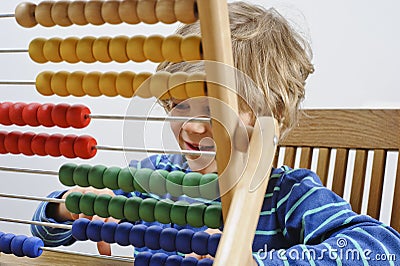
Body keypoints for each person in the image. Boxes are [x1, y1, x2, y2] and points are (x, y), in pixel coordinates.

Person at [32, 1, 400, 265]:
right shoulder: (151, 178)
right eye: (179, 106)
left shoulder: (289, 195)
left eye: (212, 110)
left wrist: (255, 262)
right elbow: (43, 230)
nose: (191, 126)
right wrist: (67, 207)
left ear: (271, 114)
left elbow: (382, 247)